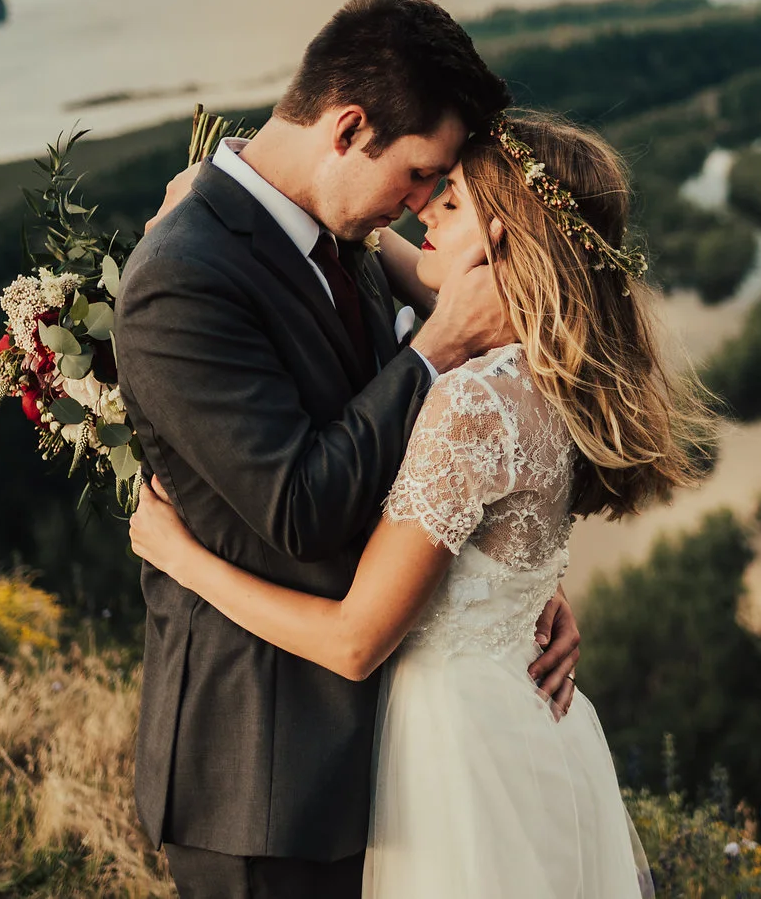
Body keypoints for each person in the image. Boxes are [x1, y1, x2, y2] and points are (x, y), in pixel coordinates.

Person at [131, 109, 714, 898]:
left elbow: (353, 641)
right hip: (530, 732)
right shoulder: (545, 370)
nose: (420, 210)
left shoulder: (470, 396)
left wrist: (182, 558)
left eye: (450, 201)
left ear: (503, 238)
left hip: (456, 754)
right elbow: (492, 532)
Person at [115, 0, 588, 899]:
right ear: (349, 127)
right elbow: (300, 507)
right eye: (418, 175)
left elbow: (434, 459)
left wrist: (515, 579)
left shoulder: (345, 235)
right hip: (263, 775)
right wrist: (435, 346)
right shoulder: (182, 277)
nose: (418, 206)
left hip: (387, 755)